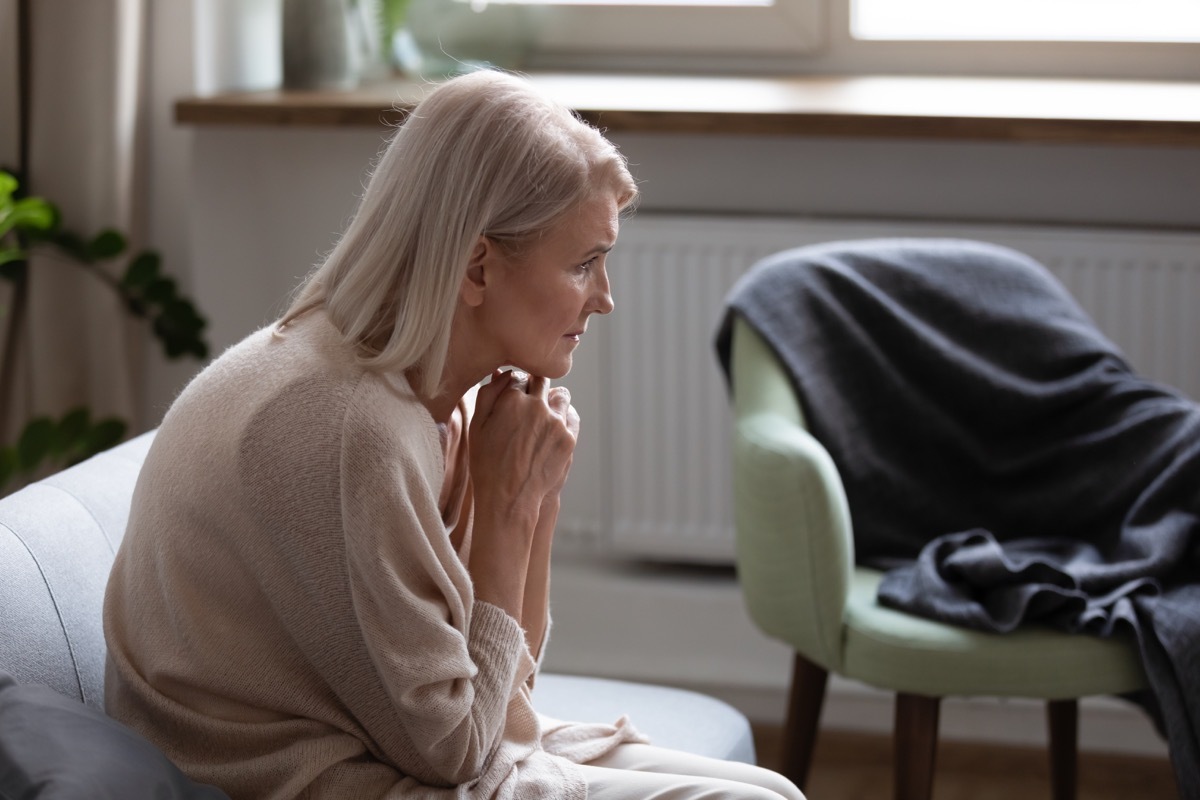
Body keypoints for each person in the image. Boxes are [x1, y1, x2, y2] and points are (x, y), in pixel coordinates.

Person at [103, 69, 804, 800]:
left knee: (774, 793)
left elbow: (507, 684)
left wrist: (533, 498)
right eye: (584, 263)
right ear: (477, 266)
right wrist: (506, 511)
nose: (605, 299)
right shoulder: (352, 427)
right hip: (308, 778)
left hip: (391, 747)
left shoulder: (437, 396)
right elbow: (456, 749)